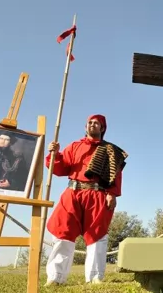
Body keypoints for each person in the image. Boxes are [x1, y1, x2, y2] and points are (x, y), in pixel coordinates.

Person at [44, 114, 128, 286]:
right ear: (85, 127)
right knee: (63, 233)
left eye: (96, 123)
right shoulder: (74, 146)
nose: (92, 125)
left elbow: (116, 174)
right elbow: (60, 169)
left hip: (98, 194)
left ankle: (95, 277)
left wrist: (112, 194)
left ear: (102, 128)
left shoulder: (111, 150)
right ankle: (55, 277)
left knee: (97, 235)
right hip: (72, 193)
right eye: (89, 122)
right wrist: (55, 154)